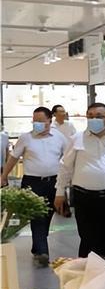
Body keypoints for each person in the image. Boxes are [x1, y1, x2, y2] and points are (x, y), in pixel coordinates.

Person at [53, 103, 105, 264]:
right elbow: (65, 167)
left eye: (98, 116)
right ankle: (87, 274)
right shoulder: (77, 139)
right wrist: (59, 192)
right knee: (88, 239)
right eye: (90, 116)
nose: (93, 120)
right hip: (84, 198)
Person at [1, 107, 68, 267]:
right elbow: (13, 158)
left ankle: (38, 245)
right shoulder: (26, 138)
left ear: (49, 121)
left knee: (47, 215)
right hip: (32, 183)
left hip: (54, 182)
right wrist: (4, 176)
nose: (36, 124)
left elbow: (67, 158)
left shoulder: (59, 137)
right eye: (34, 121)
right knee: (37, 216)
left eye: (40, 121)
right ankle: (42, 252)